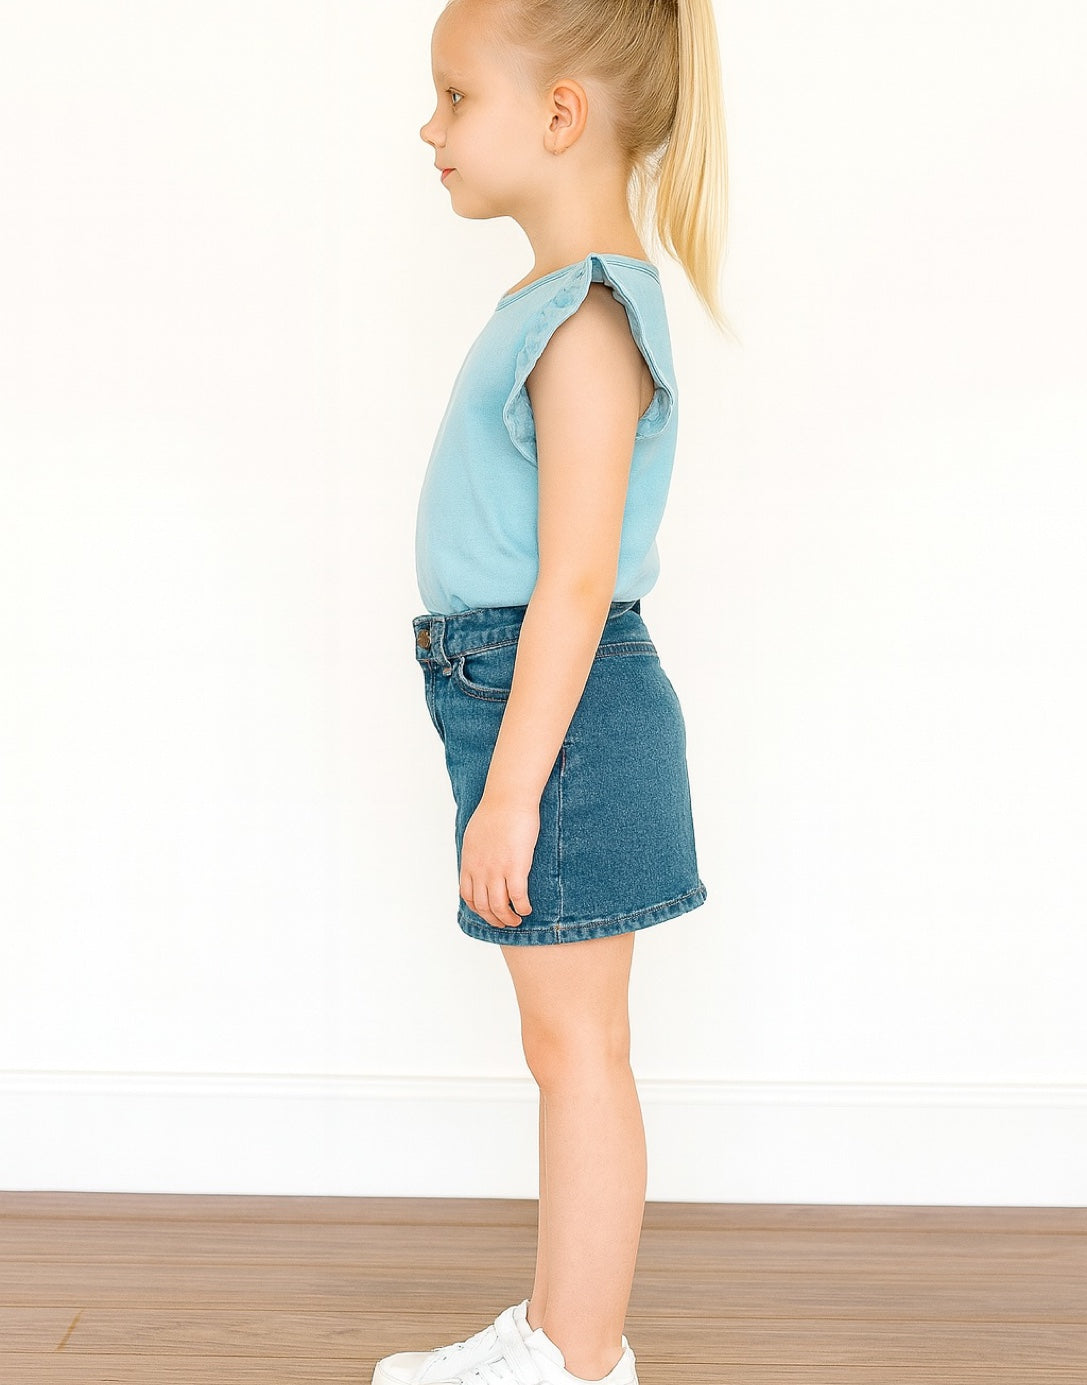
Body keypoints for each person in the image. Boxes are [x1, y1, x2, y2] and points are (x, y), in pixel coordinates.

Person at [375, 1, 730, 1383]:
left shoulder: (589, 316)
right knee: (562, 1041)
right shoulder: (555, 299)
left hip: (557, 712)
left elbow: (575, 585)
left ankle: (581, 1360)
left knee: (580, 1048)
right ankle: (558, 1331)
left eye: (457, 97)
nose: (432, 126)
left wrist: (513, 788)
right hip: (520, 695)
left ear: (562, 116)